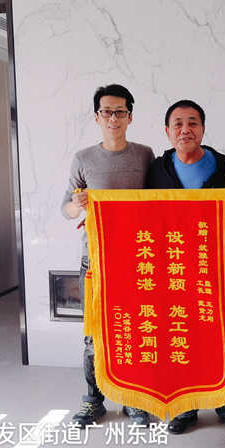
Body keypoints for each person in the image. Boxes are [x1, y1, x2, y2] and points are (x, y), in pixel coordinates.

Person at [61, 84, 155, 427]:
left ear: (130, 116)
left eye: (120, 112)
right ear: (96, 117)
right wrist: (78, 204)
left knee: (135, 328)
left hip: (136, 260)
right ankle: (93, 400)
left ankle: (133, 399)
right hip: (95, 260)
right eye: (106, 112)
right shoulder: (83, 158)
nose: (113, 118)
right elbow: (66, 208)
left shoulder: (145, 155)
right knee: (94, 335)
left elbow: (159, 201)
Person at [145, 99, 225, 434]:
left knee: (219, 337)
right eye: (178, 123)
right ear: (167, 131)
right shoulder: (156, 170)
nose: (186, 130)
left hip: (214, 267)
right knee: (179, 336)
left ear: (203, 128)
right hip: (171, 269)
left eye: (193, 123)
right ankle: (185, 407)